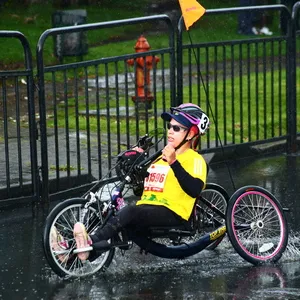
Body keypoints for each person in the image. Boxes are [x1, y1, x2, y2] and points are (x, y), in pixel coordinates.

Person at [72, 103, 210, 261]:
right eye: (169, 126)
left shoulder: (195, 159)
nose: (170, 131)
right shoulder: (161, 157)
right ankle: (71, 252)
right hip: (150, 207)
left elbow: (194, 190)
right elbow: (143, 190)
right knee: (113, 212)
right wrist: (135, 164)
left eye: (177, 128)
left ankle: (91, 242)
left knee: (130, 212)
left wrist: (174, 163)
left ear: (192, 132)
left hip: (174, 213)